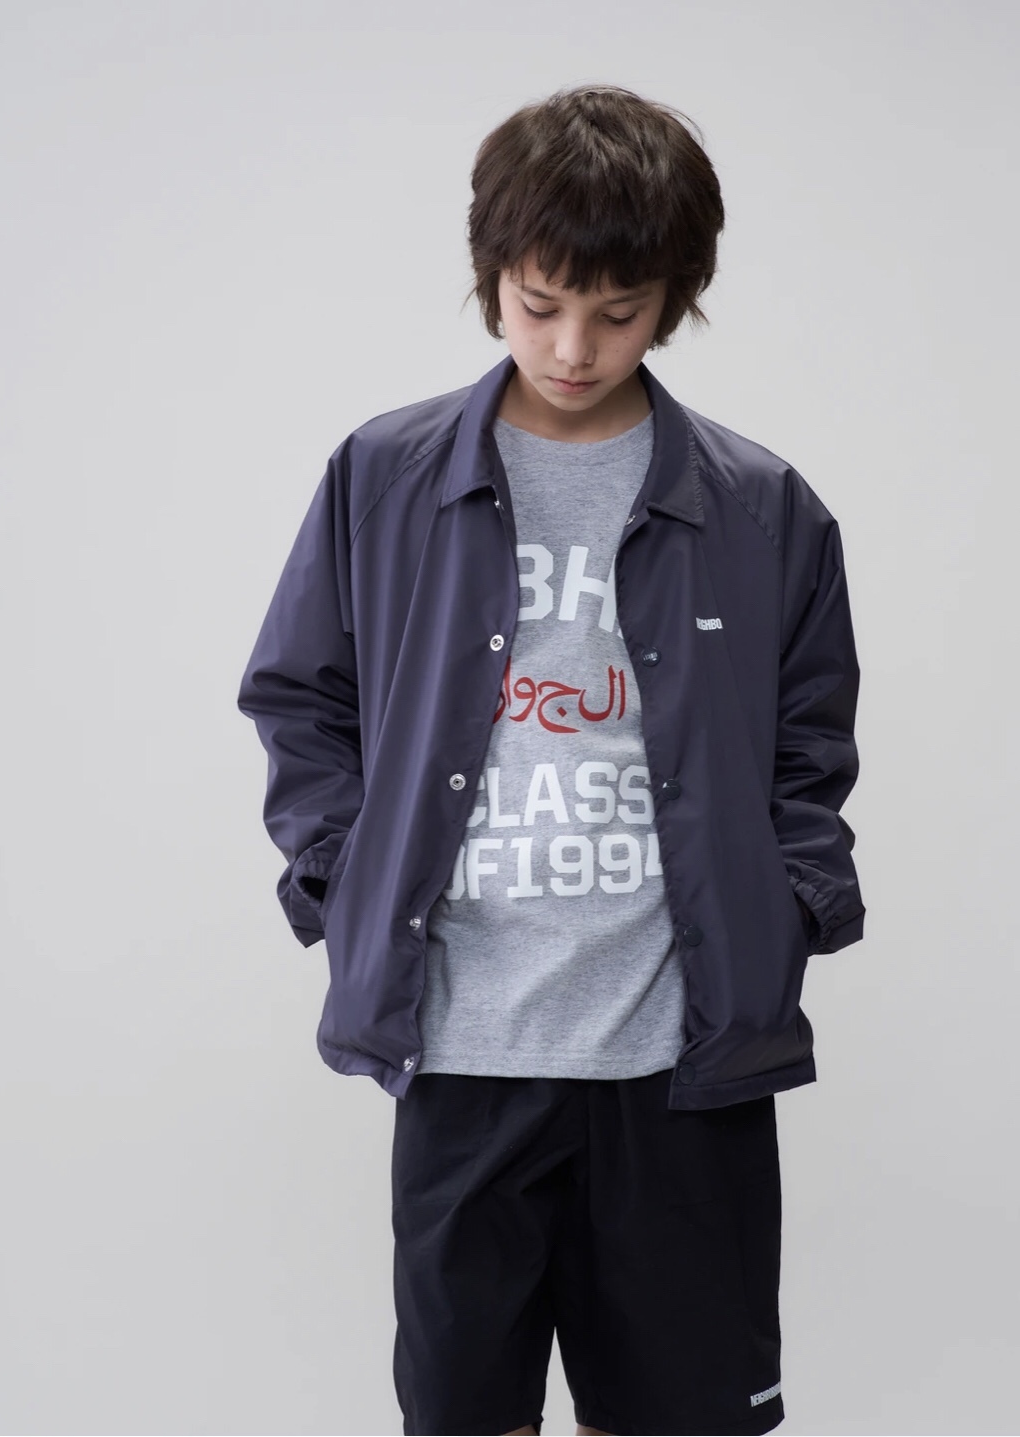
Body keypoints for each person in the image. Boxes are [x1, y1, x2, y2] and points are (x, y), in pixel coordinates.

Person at [237, 83, 865, 1437]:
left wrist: (791, 906)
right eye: (539, 305)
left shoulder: (762, 509)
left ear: (675, 299)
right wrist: (344, 877)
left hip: (682, 1055)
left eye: (618, 312)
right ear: (491, 278)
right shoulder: (384, 477)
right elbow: (300, 696)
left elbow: (810, 745)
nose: (574, 347)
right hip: (461, 1047)